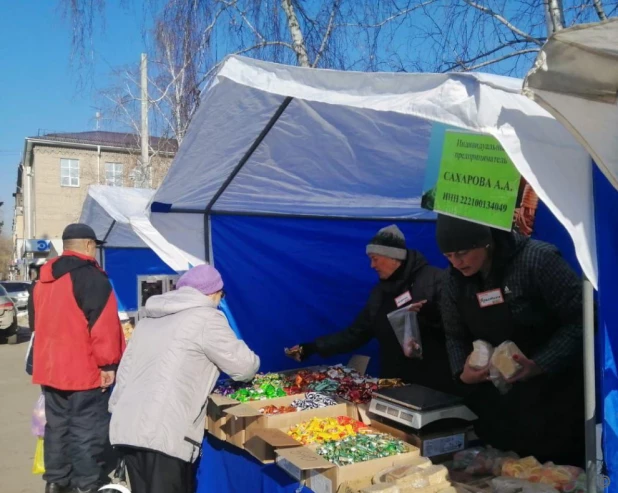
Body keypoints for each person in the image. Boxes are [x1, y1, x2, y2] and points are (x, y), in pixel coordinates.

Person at [436, 214, 584, 465]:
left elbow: (581, 319)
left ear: (486, 242)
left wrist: (539, 364)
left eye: (462, 252)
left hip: (552, 401)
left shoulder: (537, 260)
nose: (457, 262)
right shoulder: (452, 281)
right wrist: (462, 372)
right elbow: (454, 334)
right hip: (497, 407)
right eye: (448, 256)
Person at [108, 264, 260, 493]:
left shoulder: (148, 320)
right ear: (212, 293)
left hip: (127, 427)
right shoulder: (207, 318)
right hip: (164, 433)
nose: (221, 300)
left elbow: (125, 373)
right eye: (221, 295)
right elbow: (245, 366)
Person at [287, 225, 455, 394]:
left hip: (433, 385)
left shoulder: (435, 280)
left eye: (375, 258)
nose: (372, 265)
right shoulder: (380, 292)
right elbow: (356, 334)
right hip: (393, 383)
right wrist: (312, 348)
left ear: (393, 257)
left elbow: (458, 328)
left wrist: (432, 314)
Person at [29, 224, 125, 493]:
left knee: (57, 428)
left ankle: (56, 481)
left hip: (50, 368)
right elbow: (103, 326)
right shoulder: (92, 277)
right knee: (86, 430)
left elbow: (37, 324)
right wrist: (108, 364)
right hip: (82, 369)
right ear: (88, 245)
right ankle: (86, 485)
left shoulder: (42, 279)